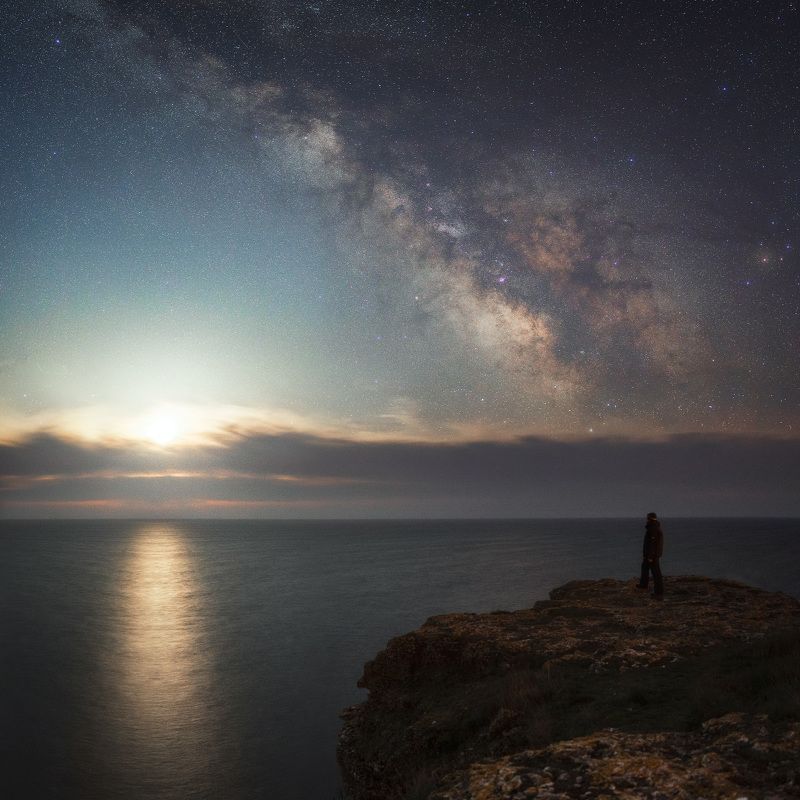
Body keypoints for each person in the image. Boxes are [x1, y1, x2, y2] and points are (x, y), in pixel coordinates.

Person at [638, 512, 664, 598]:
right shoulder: (654, 527)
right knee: (645, 567)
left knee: (656, 573)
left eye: (647, 518)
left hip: (652, 555)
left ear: (649, 518)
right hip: (652, 554)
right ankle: (643, 584)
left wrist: (650, 556)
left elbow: (652, 543)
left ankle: (659, 591)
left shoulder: (653, 528)